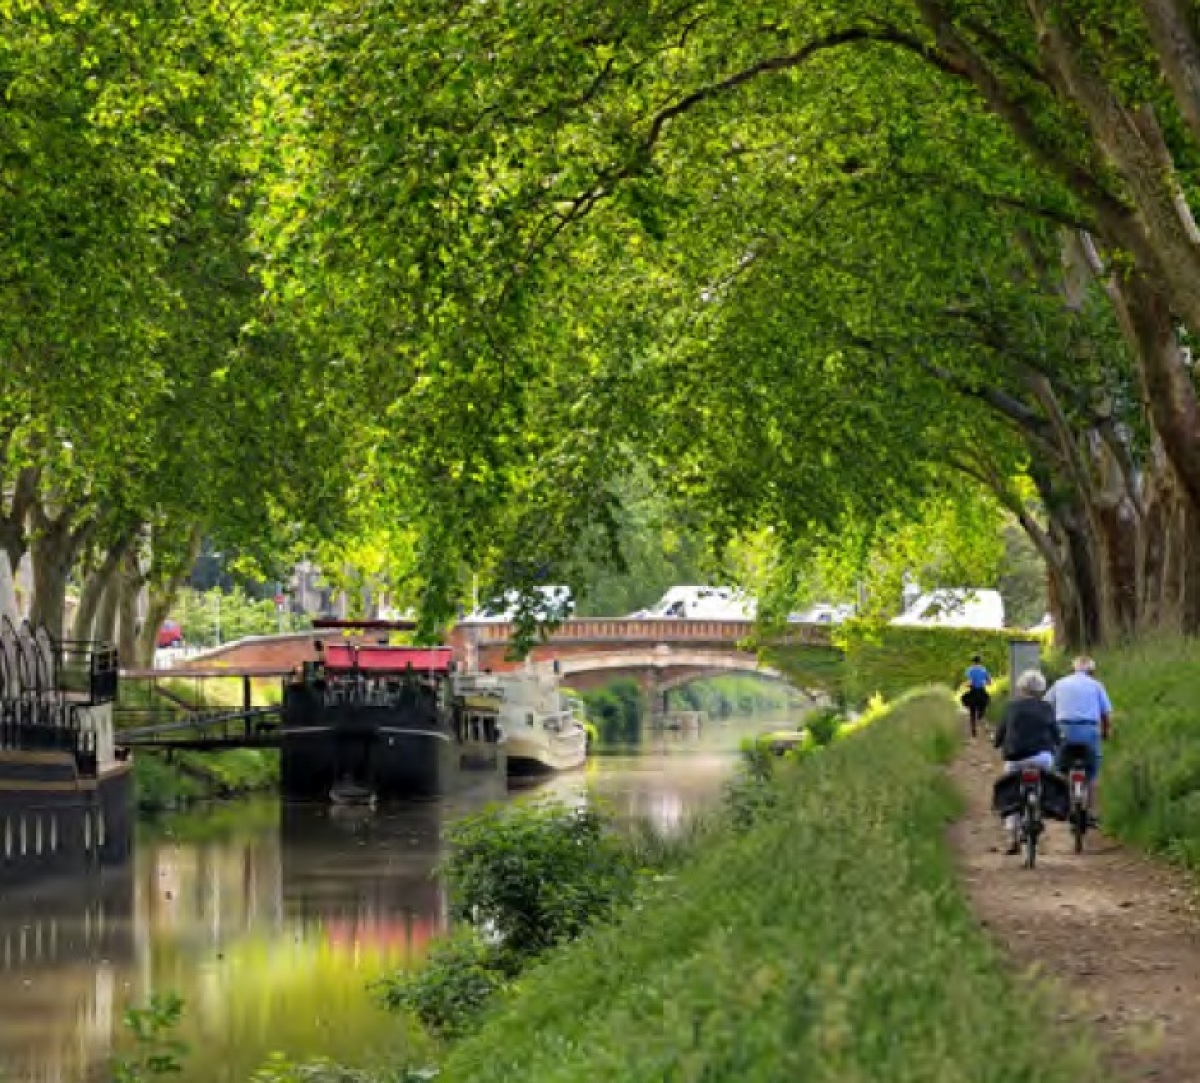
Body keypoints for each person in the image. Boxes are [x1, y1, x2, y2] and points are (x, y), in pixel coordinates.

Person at [994, 668, 1060, 855]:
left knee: (1011, 793)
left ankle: (1012, 837)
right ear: (1041, 689)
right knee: (1045, 780)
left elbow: (1000, 734)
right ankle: (1040, 809)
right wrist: (1057, 743)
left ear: (1021, 687)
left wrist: (998, 742)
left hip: (1015, 757)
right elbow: (1055, 734)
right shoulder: (1047, 708)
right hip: (1042, 757)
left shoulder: (1011, 707)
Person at [1047, 656, 1113, 823]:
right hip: (1089, 731)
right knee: (1092, 772)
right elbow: (1106, 714)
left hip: (1064, 730)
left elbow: (1046, 705)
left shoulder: (1060, 683)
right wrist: (1106, 732)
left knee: (1061, 768)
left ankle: (1061, 805)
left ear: (1073, 669)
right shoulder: (1097, 685)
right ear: (1092, 672)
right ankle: (1091, 812)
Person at [961, 654, 993, 736]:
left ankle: (973, 730)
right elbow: (989, 682)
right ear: (980, 661)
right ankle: (985, 724)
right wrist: (984, 682)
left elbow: (970, 682)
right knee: (982, 711)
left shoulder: (969, 670)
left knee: (972, 711)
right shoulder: (984, 670)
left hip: (973, 692)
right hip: (982, 692)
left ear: (973, 661)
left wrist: (966, 685)